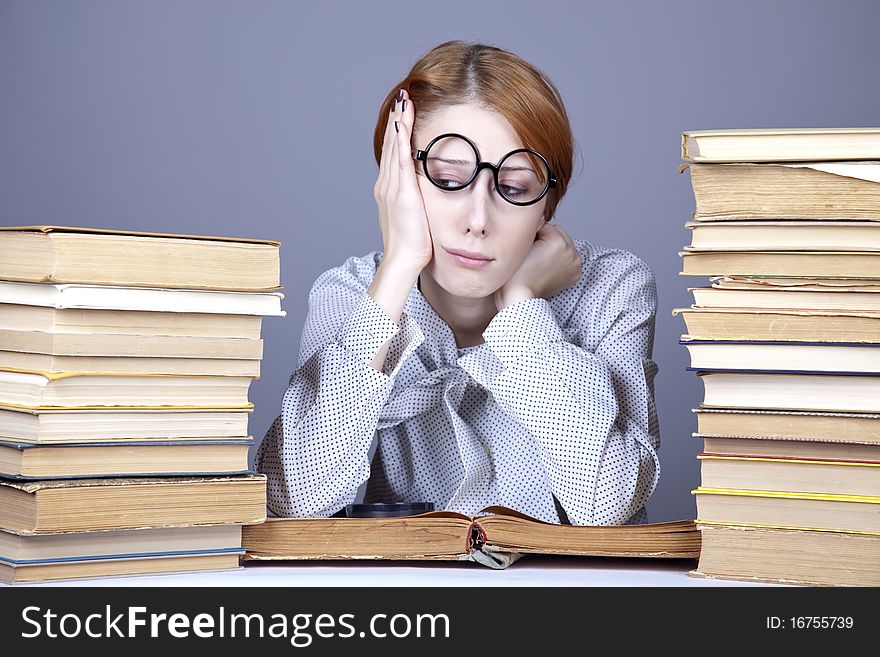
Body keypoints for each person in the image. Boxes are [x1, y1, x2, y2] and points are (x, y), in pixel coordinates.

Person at [256, 40, 660, 526]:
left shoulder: (612, 289)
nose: (478, 219)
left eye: (513, 189)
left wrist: (520, 309)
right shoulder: (352, 296)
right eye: (448, 178)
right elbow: (291, 501)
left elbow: (608, 505)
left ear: (547, 205)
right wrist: (399, 266)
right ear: (397, 179)